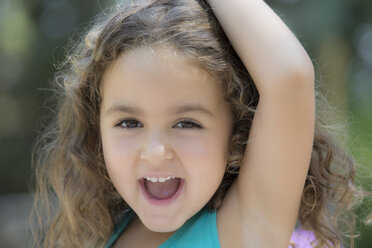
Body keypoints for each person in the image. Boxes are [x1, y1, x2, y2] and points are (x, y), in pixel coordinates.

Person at [30, 0, 370, 247]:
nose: (155, 152)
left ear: (236, 135)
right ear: (97, 129)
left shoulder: (244, 230)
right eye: (129, 122)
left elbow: (289, 77)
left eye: (187, 124)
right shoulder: (107, 232)